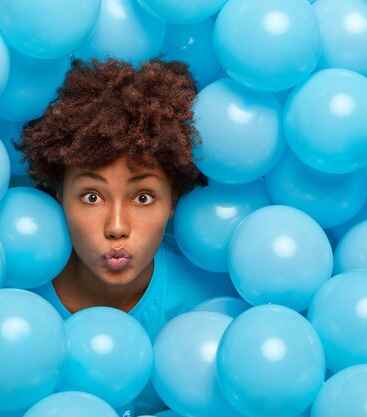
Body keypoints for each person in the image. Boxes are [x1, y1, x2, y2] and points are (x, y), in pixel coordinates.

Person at [16, 57, 231, 414]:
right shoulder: (14, 294)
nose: (117, 226)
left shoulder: (209, 308)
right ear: (59, 196)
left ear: (173, 200)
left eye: (143, 197)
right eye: (92, 197)